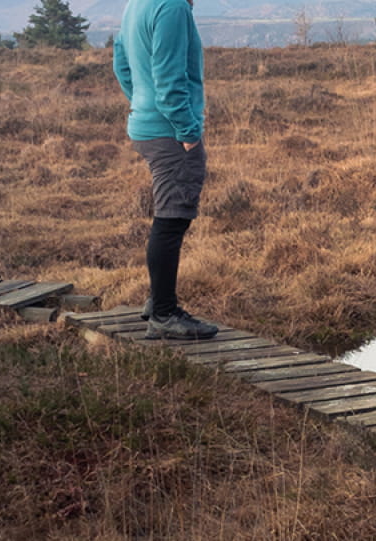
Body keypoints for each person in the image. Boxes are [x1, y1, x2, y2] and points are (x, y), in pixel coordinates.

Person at [113, 0, 218, 339]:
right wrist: (187, 130)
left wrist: (142, 103)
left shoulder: (136, 4)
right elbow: (169, 76)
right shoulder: (171, 6)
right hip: (170, 131)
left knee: (170, 216)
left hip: (148, 124)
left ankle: (158, 300)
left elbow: (121, 65)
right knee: (172, 219)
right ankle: (163, 313)